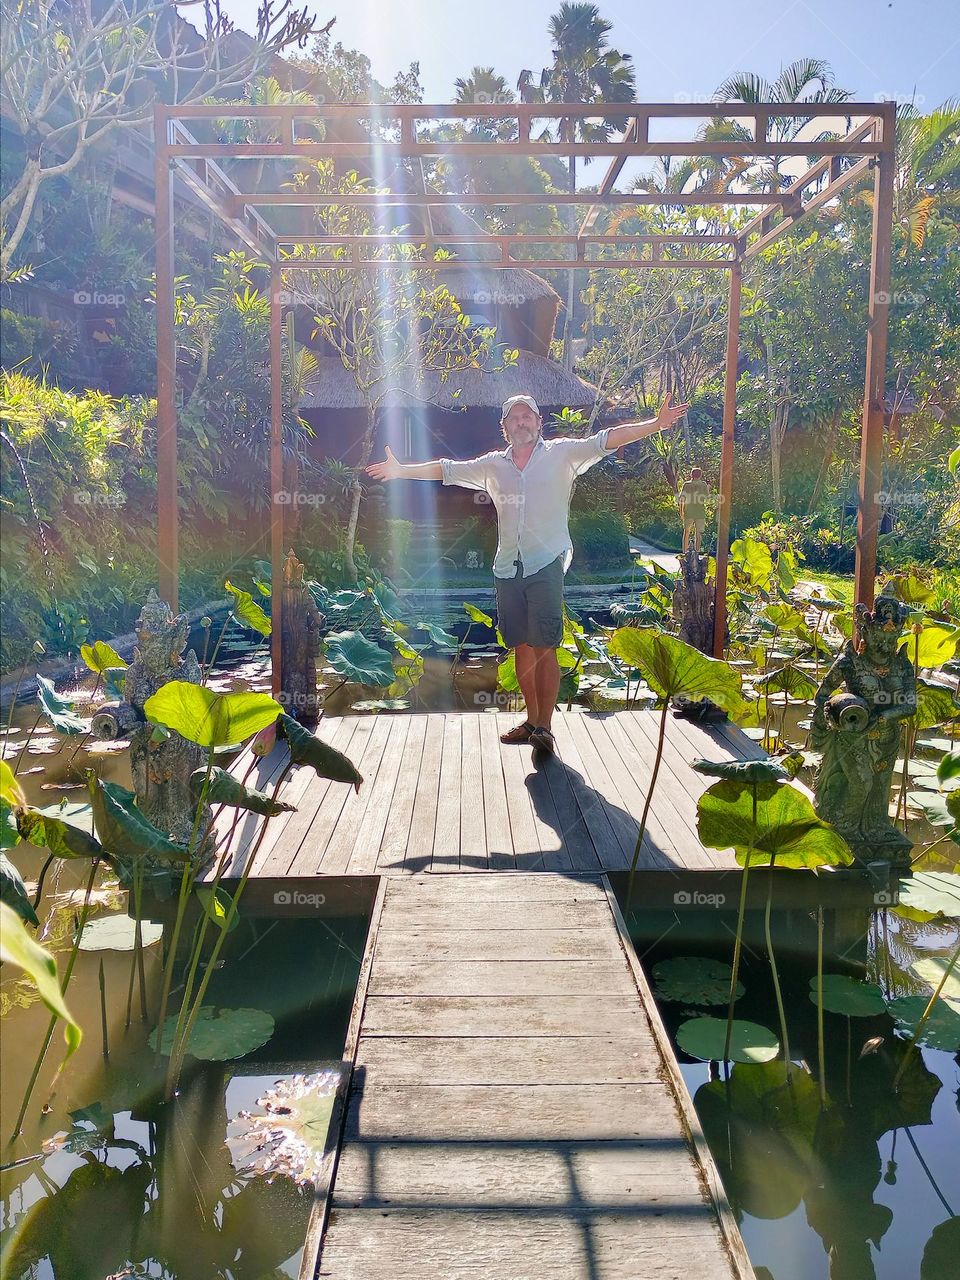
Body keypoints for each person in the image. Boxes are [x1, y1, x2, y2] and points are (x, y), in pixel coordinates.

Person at [365, 392, 688, 752]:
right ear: (504, 427)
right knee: (520, 647)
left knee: (545, 647)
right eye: (514, 418)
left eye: (527, 416)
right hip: (508, 566)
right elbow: (447, 468)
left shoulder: (563, 454)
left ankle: (545, 728)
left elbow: (606, 439)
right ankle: (532, 722)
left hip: (546, 562)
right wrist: (401, 470)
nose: (521, 422)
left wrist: (656, 424)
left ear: (538, 422)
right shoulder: (493, 465)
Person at [678, 467, 710, 553]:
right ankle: (697, 552)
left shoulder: (686, 485)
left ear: (691, 475)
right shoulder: (703, 484)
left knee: (686, 532)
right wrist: (708, 488)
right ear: (700, 475)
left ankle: (684, 551)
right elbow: (707, 497)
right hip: (700, 512)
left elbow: (681, 499)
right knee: (698, 534)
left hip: (688, 512)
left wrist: (681, 511)